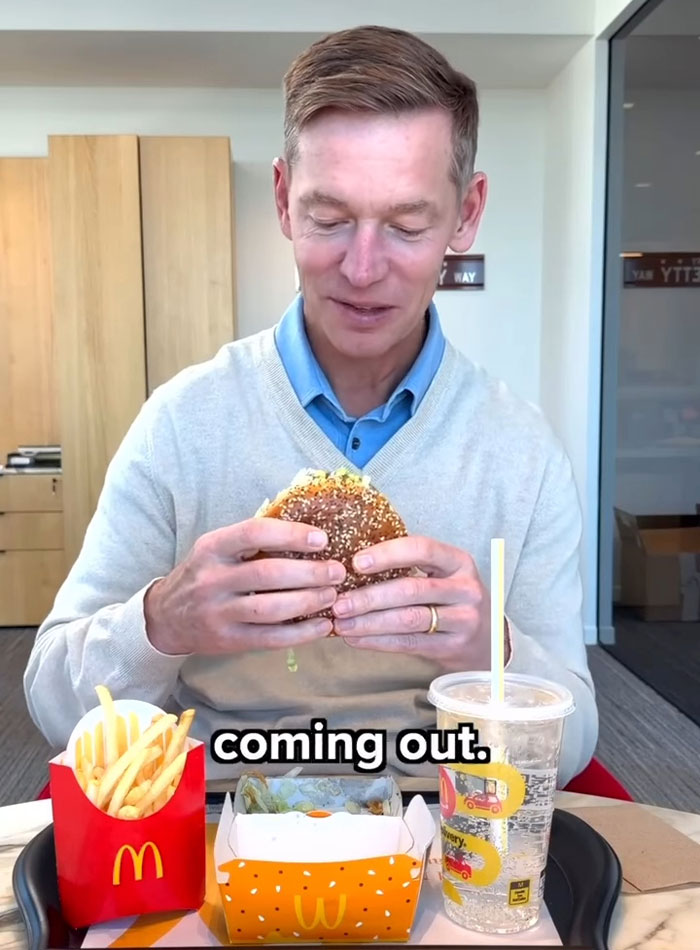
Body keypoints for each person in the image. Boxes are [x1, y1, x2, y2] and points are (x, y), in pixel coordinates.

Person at [24, 25, 597, 786]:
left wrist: (492, 650)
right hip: (222, 811)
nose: (362, 268)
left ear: (466, 213)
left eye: (407, 225)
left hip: (448, 815)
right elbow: (54, 703)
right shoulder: (183, 424)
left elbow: (573, 746)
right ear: (283, 201)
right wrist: (162, 619)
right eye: (329, 219)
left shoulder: (520, 453)